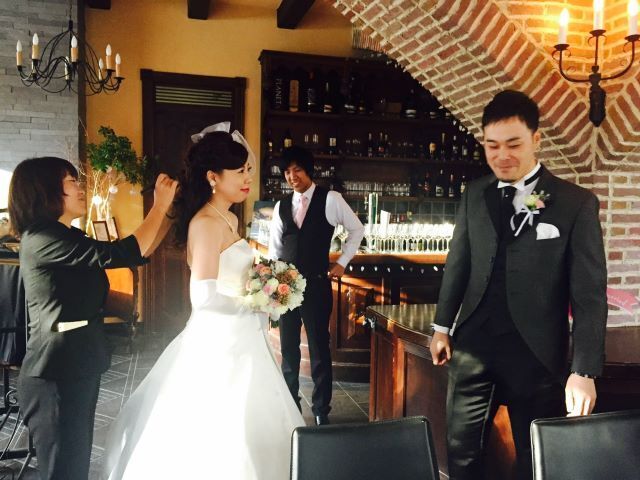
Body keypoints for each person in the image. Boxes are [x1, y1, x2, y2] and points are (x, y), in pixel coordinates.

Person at [102, 123, 304, 479]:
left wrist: (264, 287)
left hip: (243, 338)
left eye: (248, 170)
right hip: (220, 341)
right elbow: (204, 295)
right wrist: (255, 303)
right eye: (239, 171)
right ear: (213, 176)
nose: (247, 178)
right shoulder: (207, 224)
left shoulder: (229, 218)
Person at [429, 90, 608, 480]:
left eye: (513, 144)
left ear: (536, 139)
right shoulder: (475, 194)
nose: (502, 155)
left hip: (537, 354)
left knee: (535, 460)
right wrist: (442, 326)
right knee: (460, 453)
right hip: (472, 347)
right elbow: (458, 264)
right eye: (492, 145)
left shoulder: (574, 202)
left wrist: (584, 370)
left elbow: (590, 295)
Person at [8, 156, 177, 480]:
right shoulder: (42, 238)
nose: (81, 188)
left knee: (76, 464)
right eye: (72, 181)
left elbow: (136, 253)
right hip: (54, 373)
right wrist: (158, 206)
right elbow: (120, 253)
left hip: (77, 362)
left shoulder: (65, 233)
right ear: (46, 190)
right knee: (63, 470)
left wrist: (168, 213)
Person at [268, 145, 364, 425]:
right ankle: (291, 406)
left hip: (317, 284)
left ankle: (321, 410)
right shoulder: (281, 206)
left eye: (297, 169)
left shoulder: (330, 199)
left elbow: (357, 229)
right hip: (285, 286)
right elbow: (274, 250)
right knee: (288, 350)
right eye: (287, 172)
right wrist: (272, 288)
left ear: (309, 170)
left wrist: (342, 262)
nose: (292, 176)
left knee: (320, 349)